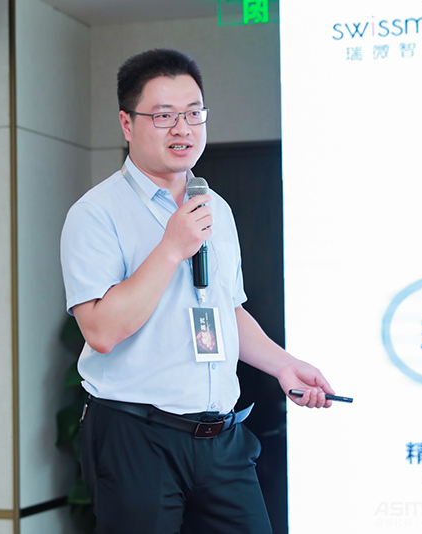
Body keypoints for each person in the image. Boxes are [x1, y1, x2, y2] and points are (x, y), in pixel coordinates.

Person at [60, 48, 335, 534]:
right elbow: (101, 331)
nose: (182, 129)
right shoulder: (95, 213)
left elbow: (227, 310)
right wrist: (171, 248)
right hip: (136, 435)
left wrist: (283, 365)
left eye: (193, 114)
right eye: (164, 116)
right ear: (127, 124)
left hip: (220, 438)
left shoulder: (216, 209)